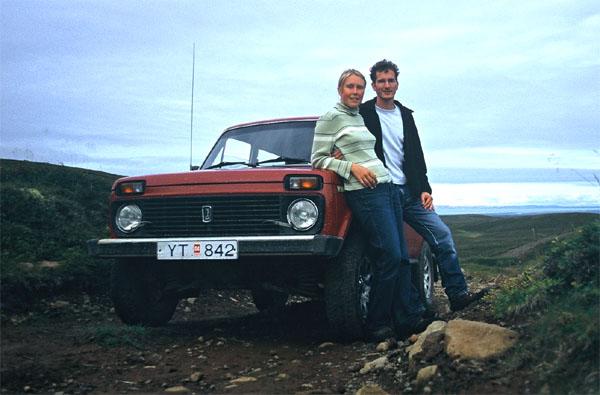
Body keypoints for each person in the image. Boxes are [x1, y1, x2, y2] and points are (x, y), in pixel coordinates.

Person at [311, 69, 433, 342]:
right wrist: (350, 166)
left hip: (387, 187)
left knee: (401, 257)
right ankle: (379, 322)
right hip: (364, 192)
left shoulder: (359, 117)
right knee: (389, 254)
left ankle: (408, 318)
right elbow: (318, 160)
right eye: (350, 87)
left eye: (360, 87)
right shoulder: (330, 118)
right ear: (340, 89)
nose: (355, 92)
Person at [357, 59, 487, 311]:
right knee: (400, 256)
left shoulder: (405, 114)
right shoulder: (363, 114)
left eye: (391, 80)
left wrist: (425, 189)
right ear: (373, 85)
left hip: (411, 192)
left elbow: (416, 155)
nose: (387, 85)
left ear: (397, 83)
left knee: (442, 236)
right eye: (381, 81)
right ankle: (412, 313)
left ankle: (458, 294)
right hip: (384, 192)